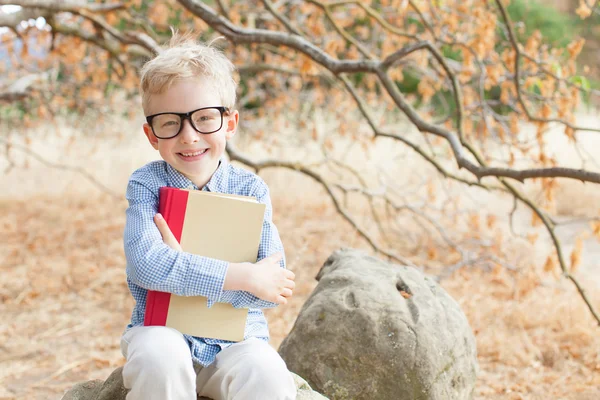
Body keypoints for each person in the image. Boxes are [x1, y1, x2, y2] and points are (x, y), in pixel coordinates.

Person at [120, 32, 297, 400]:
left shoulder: (251, 190)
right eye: (170, 123)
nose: (189, 136)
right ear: (151, 134)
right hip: (161, 331)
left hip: (236, 342)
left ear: (229, 123)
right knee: (160, 359)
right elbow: (147, 267)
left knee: (268, 373)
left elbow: (271, 288)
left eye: (204, 118)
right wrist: (241, 276)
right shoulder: (147, 185)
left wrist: (181, 266)